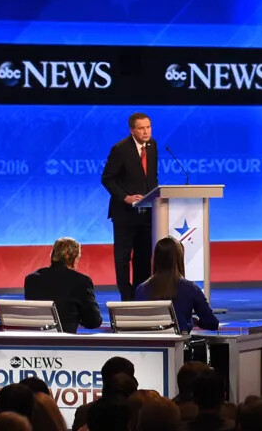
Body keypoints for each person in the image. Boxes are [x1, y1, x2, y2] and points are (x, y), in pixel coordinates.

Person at [101, 111, 159, 299]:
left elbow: (151, 177)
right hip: (125, 214)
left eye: (148, 127)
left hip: (147, 213)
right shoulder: (120, 149)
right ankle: (126, 298)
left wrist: (155, 197)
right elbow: (107, 179)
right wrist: (125, 197)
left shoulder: (152, 146)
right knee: (123, 259)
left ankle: (141, 295)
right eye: (141, 128)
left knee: (143, 257)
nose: (146, 132)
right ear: (132, 130)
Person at [23, 236, 103, 334]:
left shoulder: (31, 279)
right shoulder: (81, 281)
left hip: (36, 343)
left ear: (53, 255)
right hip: (66, 345)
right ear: (74, 259)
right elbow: (93, 321)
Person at [137, 236, 218, 332]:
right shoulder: (190, 288)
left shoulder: (141, 289)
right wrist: (195, 321)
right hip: (178, 345)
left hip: (150, 345)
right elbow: (212, 323)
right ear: (179, 259)